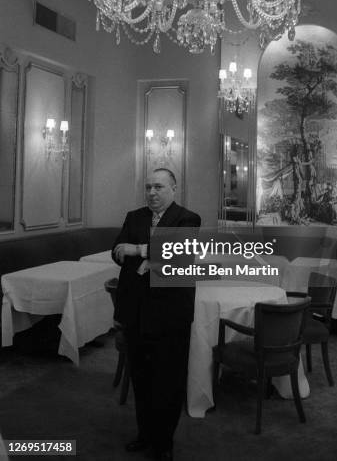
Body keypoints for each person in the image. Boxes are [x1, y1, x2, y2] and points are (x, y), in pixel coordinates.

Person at [112, 168, 201, 461]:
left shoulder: (187, 218)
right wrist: (130, 253)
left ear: (174, 189)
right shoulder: (133, 216)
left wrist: (137, 249)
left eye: (159, 187)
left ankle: (164, 443)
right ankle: (145, 434)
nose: (152, 192)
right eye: (148, 187)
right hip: (136, 313)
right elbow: (116, 252)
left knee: (169, 381)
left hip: (170, 315)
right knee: (142, 378)